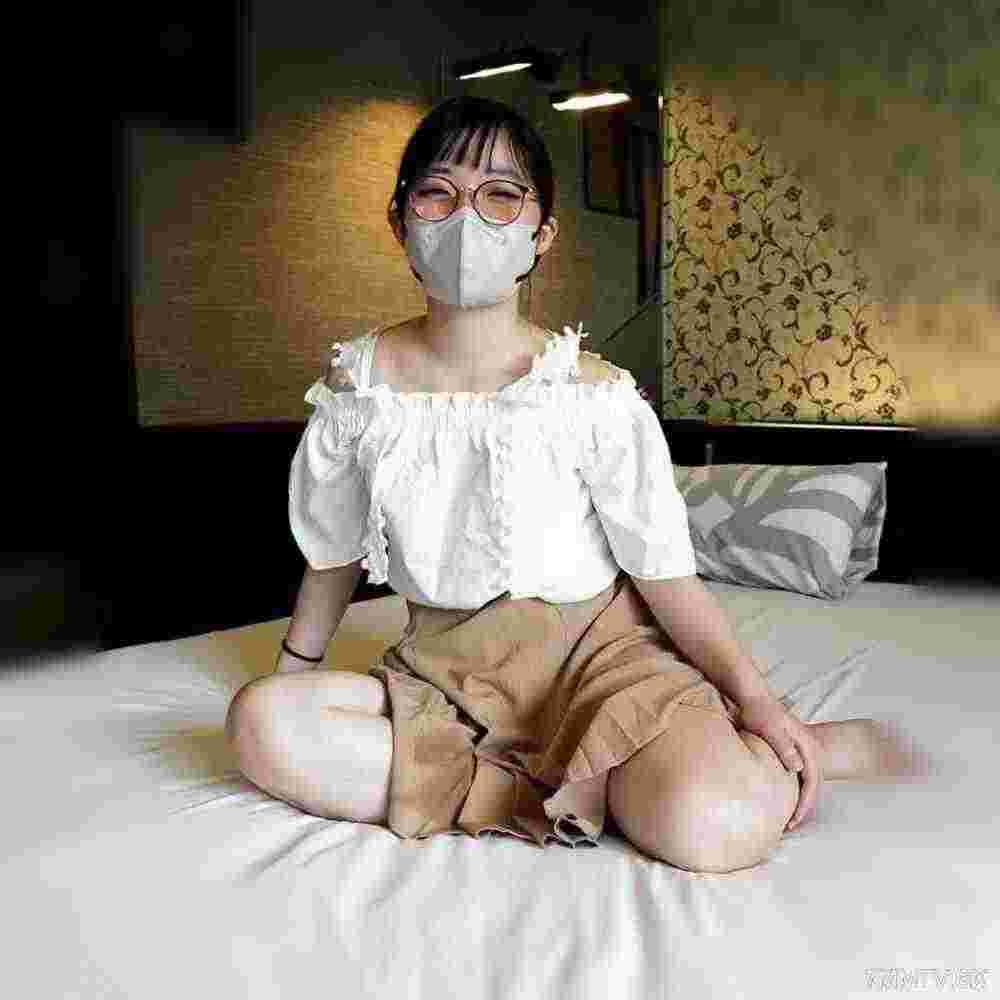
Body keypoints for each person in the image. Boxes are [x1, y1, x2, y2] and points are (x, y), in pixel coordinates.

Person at [224, 96, 929, 874]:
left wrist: (757, 700)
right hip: (444, 677)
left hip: (602, 662)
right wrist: (296, 671)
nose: (467, 220)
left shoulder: (593, 394)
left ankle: (707, 754)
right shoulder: (358, 386)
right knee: (261, 724)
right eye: (437, 193)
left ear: (542, 234)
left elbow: (663, 572)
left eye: (501, 195)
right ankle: (574, 784)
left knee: (716, 827)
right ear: (400, 220)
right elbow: (333, 551)